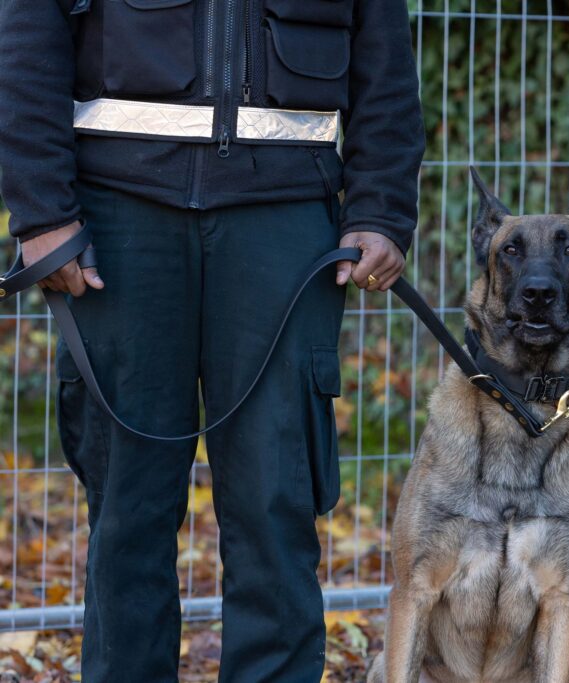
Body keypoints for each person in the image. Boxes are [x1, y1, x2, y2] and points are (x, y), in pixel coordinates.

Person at [0, 0, 424, 680]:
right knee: (128, 511)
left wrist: (382, 204)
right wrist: (42, 209)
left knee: (275, 504)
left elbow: (385, 48)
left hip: (284, 216)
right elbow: (29, 25)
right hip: (119, 213)